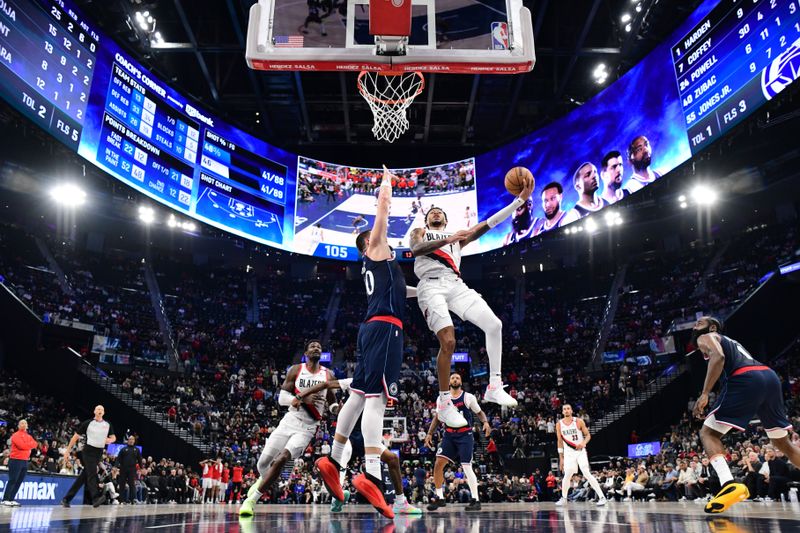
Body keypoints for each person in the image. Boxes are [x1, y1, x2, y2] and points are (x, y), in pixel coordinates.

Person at [316, 166, 422, 519]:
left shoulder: (384, 267)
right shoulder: (375, 249)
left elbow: (402, 291)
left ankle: (334, 459)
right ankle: (372, 475)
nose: (386, 237)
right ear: (368, 244)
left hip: (373, 328)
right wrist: (388, 183)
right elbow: (383, 210)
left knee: (360, 393)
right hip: (385, 330)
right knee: (377, 399)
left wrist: (428, 293)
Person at [410, 175, 534, 428]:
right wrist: (450, 238)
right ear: (428, 220)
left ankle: (494, 385)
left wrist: (518, 201)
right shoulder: (421, 232)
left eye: (439, 212)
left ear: (445, 219)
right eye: (432, 212)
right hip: (430, 285)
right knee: (449, 341)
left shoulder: (459, 238)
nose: (435, 213)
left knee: (494, 325)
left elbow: (490, 223)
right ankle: (444, 402)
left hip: (455, 284)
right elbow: (417, 249)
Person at [691, 316, 800, 513]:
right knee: (783, 444)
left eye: (701, 321)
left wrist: (705, 393)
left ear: (713, 327)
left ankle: (729, 484)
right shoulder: (731, 341)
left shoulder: (705, 337)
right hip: (769, 377)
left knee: (708, 433)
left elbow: (718, 357)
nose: (695, 323)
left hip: (746, 377)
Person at [239, 339, 352, 516]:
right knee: (263, 464)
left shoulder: (328, 374)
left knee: (282, 458)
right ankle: (262, 479)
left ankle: (251, 501)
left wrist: (337, 409)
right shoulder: (295, 370)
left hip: (308, 427)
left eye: (319, 347)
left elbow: (332, 403)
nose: (316, 348)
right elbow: (281, 397)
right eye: (313, 347)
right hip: (289, 420)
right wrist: (301, 399)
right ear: (305, 353)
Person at [424, 373, 490, 512]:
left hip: (465, 435)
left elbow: (479, 412)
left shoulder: (468, 397)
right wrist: (429, 433)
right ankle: (440, 497)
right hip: (449, 435)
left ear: (461, 382)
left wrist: (485, 422)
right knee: (438, 464)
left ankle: (475, 499)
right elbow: (437, 417)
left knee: (467, 466)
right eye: (452, 378)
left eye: (458, 378)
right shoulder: (441, 399)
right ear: (448, 382)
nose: (455, 379)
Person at [61, 405, 116, 507]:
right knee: (92, 473)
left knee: (84, 476)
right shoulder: (88, 423)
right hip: (88, 451)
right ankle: (95, 498)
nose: (100, 411)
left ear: (103, 412)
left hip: (99, 452)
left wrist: (109, 440)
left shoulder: (107, 424)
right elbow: (75, 437)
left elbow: (113, 438)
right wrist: (67, 451)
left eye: (102, 410)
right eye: (98, 409)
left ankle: (66, 499)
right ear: (94, 411)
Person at [555, 404, 606, 506]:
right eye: (564, 409)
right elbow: (559, 441)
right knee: (567, 475)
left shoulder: (578, 421)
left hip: (580, 451)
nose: (566, 410)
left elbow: (588, 435)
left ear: (571, 410)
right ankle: (564, 498)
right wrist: (561, 458)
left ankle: (602, 497)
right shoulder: (559, 424)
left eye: (568, 408)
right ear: (562, 412)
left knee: (586, 473)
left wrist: (583, 443)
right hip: (568, 453)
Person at [1, 420, 38, 507]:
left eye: (25, 423)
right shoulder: (15, 435)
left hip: (25, 461)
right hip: (15, 460)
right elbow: (22, 446)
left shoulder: (28, 436)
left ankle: (11, 499)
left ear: (27, 425)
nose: (24, 424)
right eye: (22, 423)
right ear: (18, 425)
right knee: (13, 480)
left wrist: (28, 445)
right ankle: (5, 499)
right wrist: (29, 445)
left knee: (19, 481)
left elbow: (35, 444)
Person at [115, 435, 142, 504]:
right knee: (122, 485)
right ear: (128, 440)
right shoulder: (123, 449)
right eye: (130, 439)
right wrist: (115, 466)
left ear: (134, 441)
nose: (131, 440)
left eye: (132, 439)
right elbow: (118, 458)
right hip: (123, 469)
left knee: (132, 485)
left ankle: (132, 500)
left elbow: (140, 460)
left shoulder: (137, 449)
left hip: (132, 469)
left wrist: (141, 468)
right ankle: (122, 500)